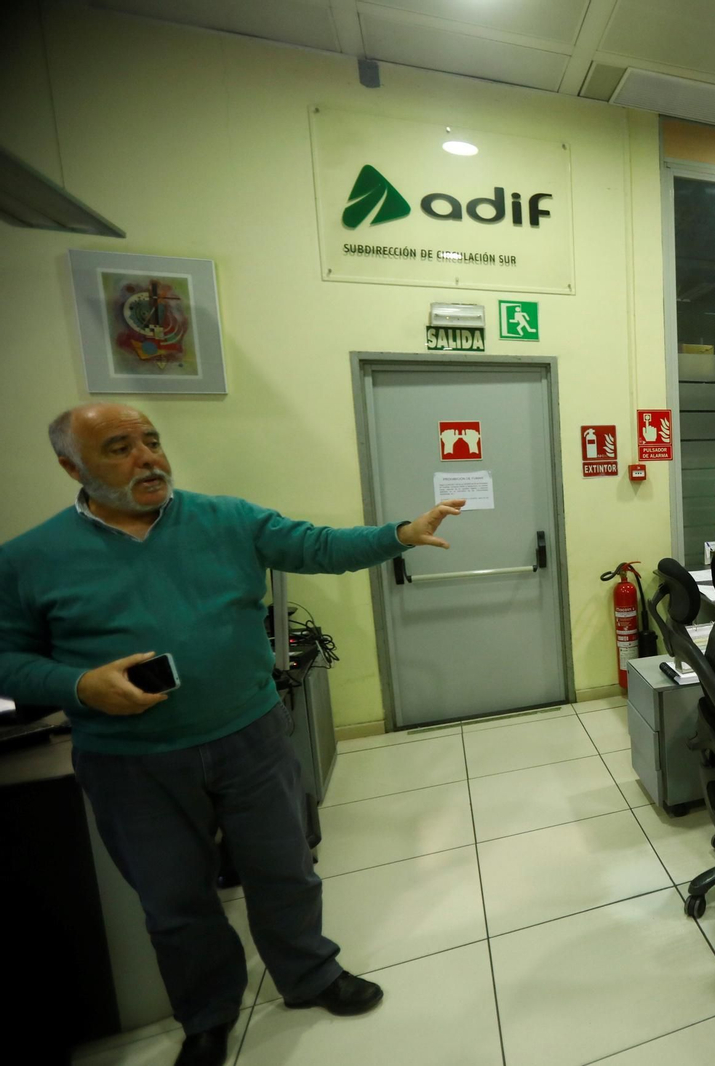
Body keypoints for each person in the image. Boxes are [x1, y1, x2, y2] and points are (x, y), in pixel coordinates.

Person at [0, 404, 466, 1066]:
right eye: (119, 447)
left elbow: (319, 546)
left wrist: (402, 533)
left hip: (250, 736)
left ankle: (309, 975)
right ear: (71, 466)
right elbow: (8, 659)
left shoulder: (226, 520)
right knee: (174, 897)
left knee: (286, 870)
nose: (147, 458)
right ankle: (207, 1013)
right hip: (132, 763)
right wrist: (80, 687)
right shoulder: (28, 560)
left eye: (153, 442)